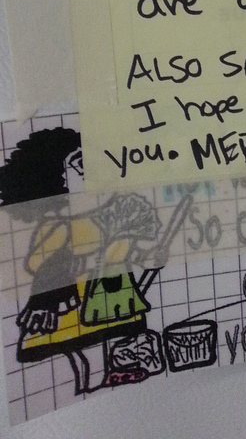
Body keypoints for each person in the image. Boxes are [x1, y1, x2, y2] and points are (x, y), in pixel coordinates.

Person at [0, 127, 165, 393]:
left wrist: (146, 257)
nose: (91, 172)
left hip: (108, 299)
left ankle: (99, 382)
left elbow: (122, 251)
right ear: (56, 179)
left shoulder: (110, 217)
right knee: (84, 349)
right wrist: (69, 263)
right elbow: (33, 263)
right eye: (79, 165)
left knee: (101, 345)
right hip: (70, 306)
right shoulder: (59, 226)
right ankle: (89, 385)